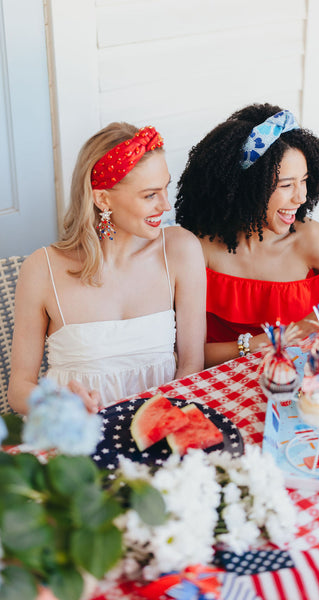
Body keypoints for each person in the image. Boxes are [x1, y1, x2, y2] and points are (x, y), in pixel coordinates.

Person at [8, 122, 206, 413]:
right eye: (150, 195)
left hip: (163, 431)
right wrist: (56, 405)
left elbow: (191, 364)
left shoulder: (181, 250)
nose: (166, 206)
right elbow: (19, 388)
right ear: (103, 199)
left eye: (166, 188)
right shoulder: (41, 269)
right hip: (75, 439)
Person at [175, 103, 319, 368]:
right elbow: (186, 357)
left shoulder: (316, 243)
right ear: (247, 188)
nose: (301, 197)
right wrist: (261, 343)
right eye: (287, 185)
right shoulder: (199, 250)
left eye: (304, 180)